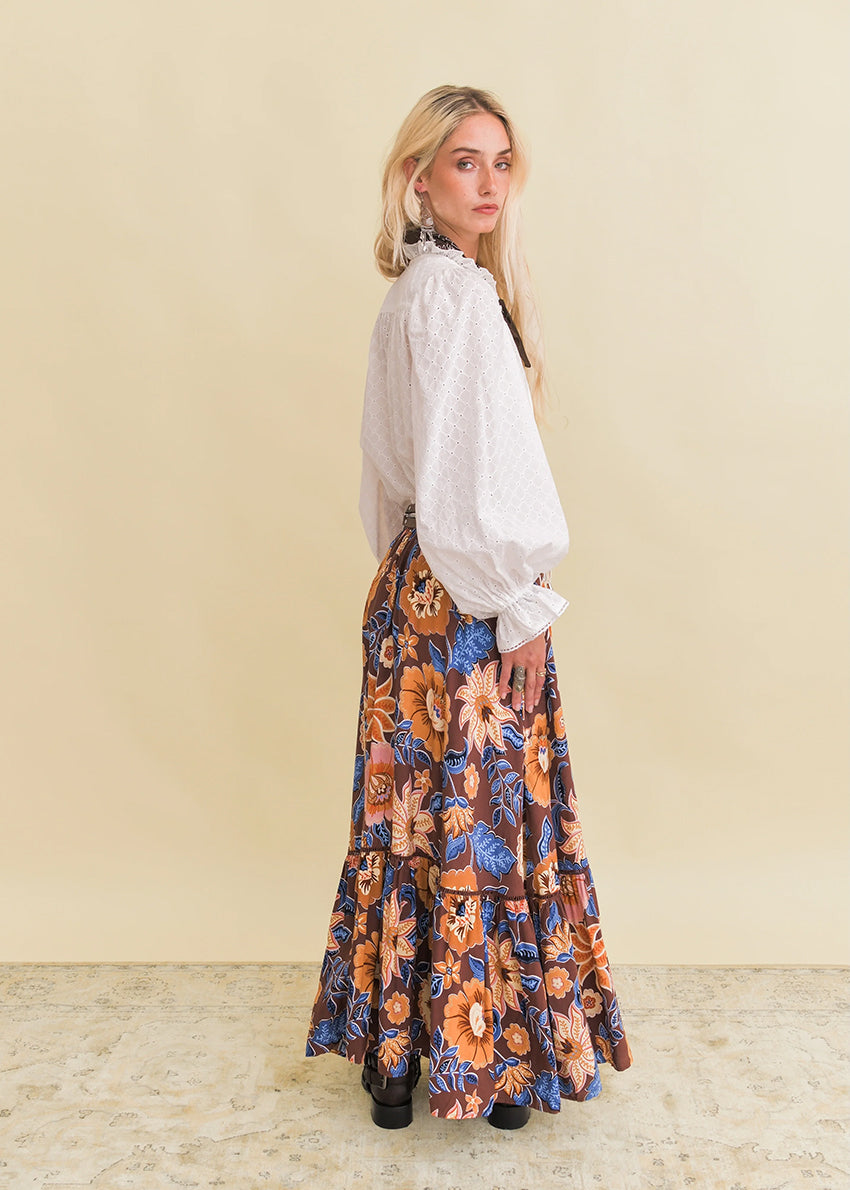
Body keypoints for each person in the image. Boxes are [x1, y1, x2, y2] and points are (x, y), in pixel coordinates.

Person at [305, 84, 632, 1129]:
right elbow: (460, 479)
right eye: (463, 162)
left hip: (411, 589)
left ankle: (401, 1058)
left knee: (411, 825)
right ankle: (484, 1062)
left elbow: (389, 482)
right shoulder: (452, 300)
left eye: (500, 162)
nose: (487, 182)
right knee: (483, 828)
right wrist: (515, 603)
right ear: (418, 178)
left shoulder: (411, 295)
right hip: (465, 603)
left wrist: (423, 582)